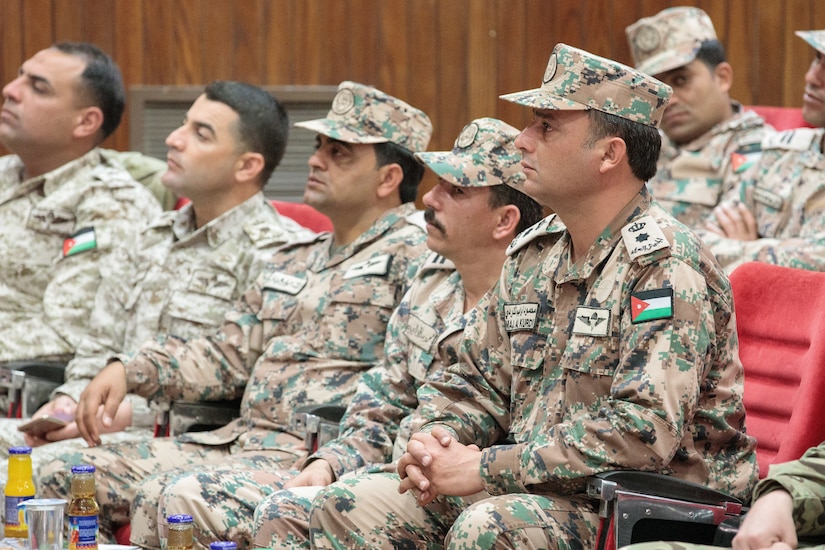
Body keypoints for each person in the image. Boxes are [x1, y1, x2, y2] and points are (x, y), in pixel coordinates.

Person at [307, 43, 758, 550]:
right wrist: (433, 442)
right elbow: (470, 378)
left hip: (650, 508)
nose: (521, 141)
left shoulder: (664, 263)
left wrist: (482, 467)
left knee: (490, 528)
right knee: (349, 505)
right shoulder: (534, 253)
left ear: (609, 154)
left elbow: (642, 432)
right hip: (535, 489)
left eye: (546, 126)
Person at [37, 80, 433, 547]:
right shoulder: (295, 255)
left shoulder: (419, 255)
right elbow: (226, 353)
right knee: (65, 472)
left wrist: (337, 459)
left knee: (178, 497)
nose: (314, 160)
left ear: (388, 179)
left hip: (321, 456)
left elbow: (408, 385)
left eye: (340, 153)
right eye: (319, 146)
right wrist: (131, 369)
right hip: (241, 441)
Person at [247, 117, 544, 549]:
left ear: (504, 221)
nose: (430, 198)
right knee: (286, 509)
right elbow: (385, 398)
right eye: (437, 184)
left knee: (347, 504)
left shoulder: (538, 297)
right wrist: (331, 461)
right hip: (397, 474)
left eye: (455, 191)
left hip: (480, 491)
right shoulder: (431, 284)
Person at [0, 80, 315, 482]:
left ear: (247, 166)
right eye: (182, 124)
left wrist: (111, 412)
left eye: (200, 134)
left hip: (187, 436)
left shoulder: (279, 253)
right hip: (97, 422)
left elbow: (248, 390)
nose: (173, 139)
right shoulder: (149, 236)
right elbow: (99, 344)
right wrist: (65, 404)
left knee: (29, 473)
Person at [0, 42, 161, 366]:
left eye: (38, 88)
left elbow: (69, 334)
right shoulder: (5, 173)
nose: (10, 91)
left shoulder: (110, 203)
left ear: (86, 122)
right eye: (20, 77)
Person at [692, 29, 825, 273]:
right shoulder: (781, 150)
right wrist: (771, 253)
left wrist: (747, 248)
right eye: (817, 59)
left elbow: (818, 268)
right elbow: (699, 243)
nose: (811, 77)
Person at [625, 6, 772, 227]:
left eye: (681, 80)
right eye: (656, 89)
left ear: (722, 78)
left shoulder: (762, 151)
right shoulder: (635, 148)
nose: (668, 99)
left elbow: (722, 252)